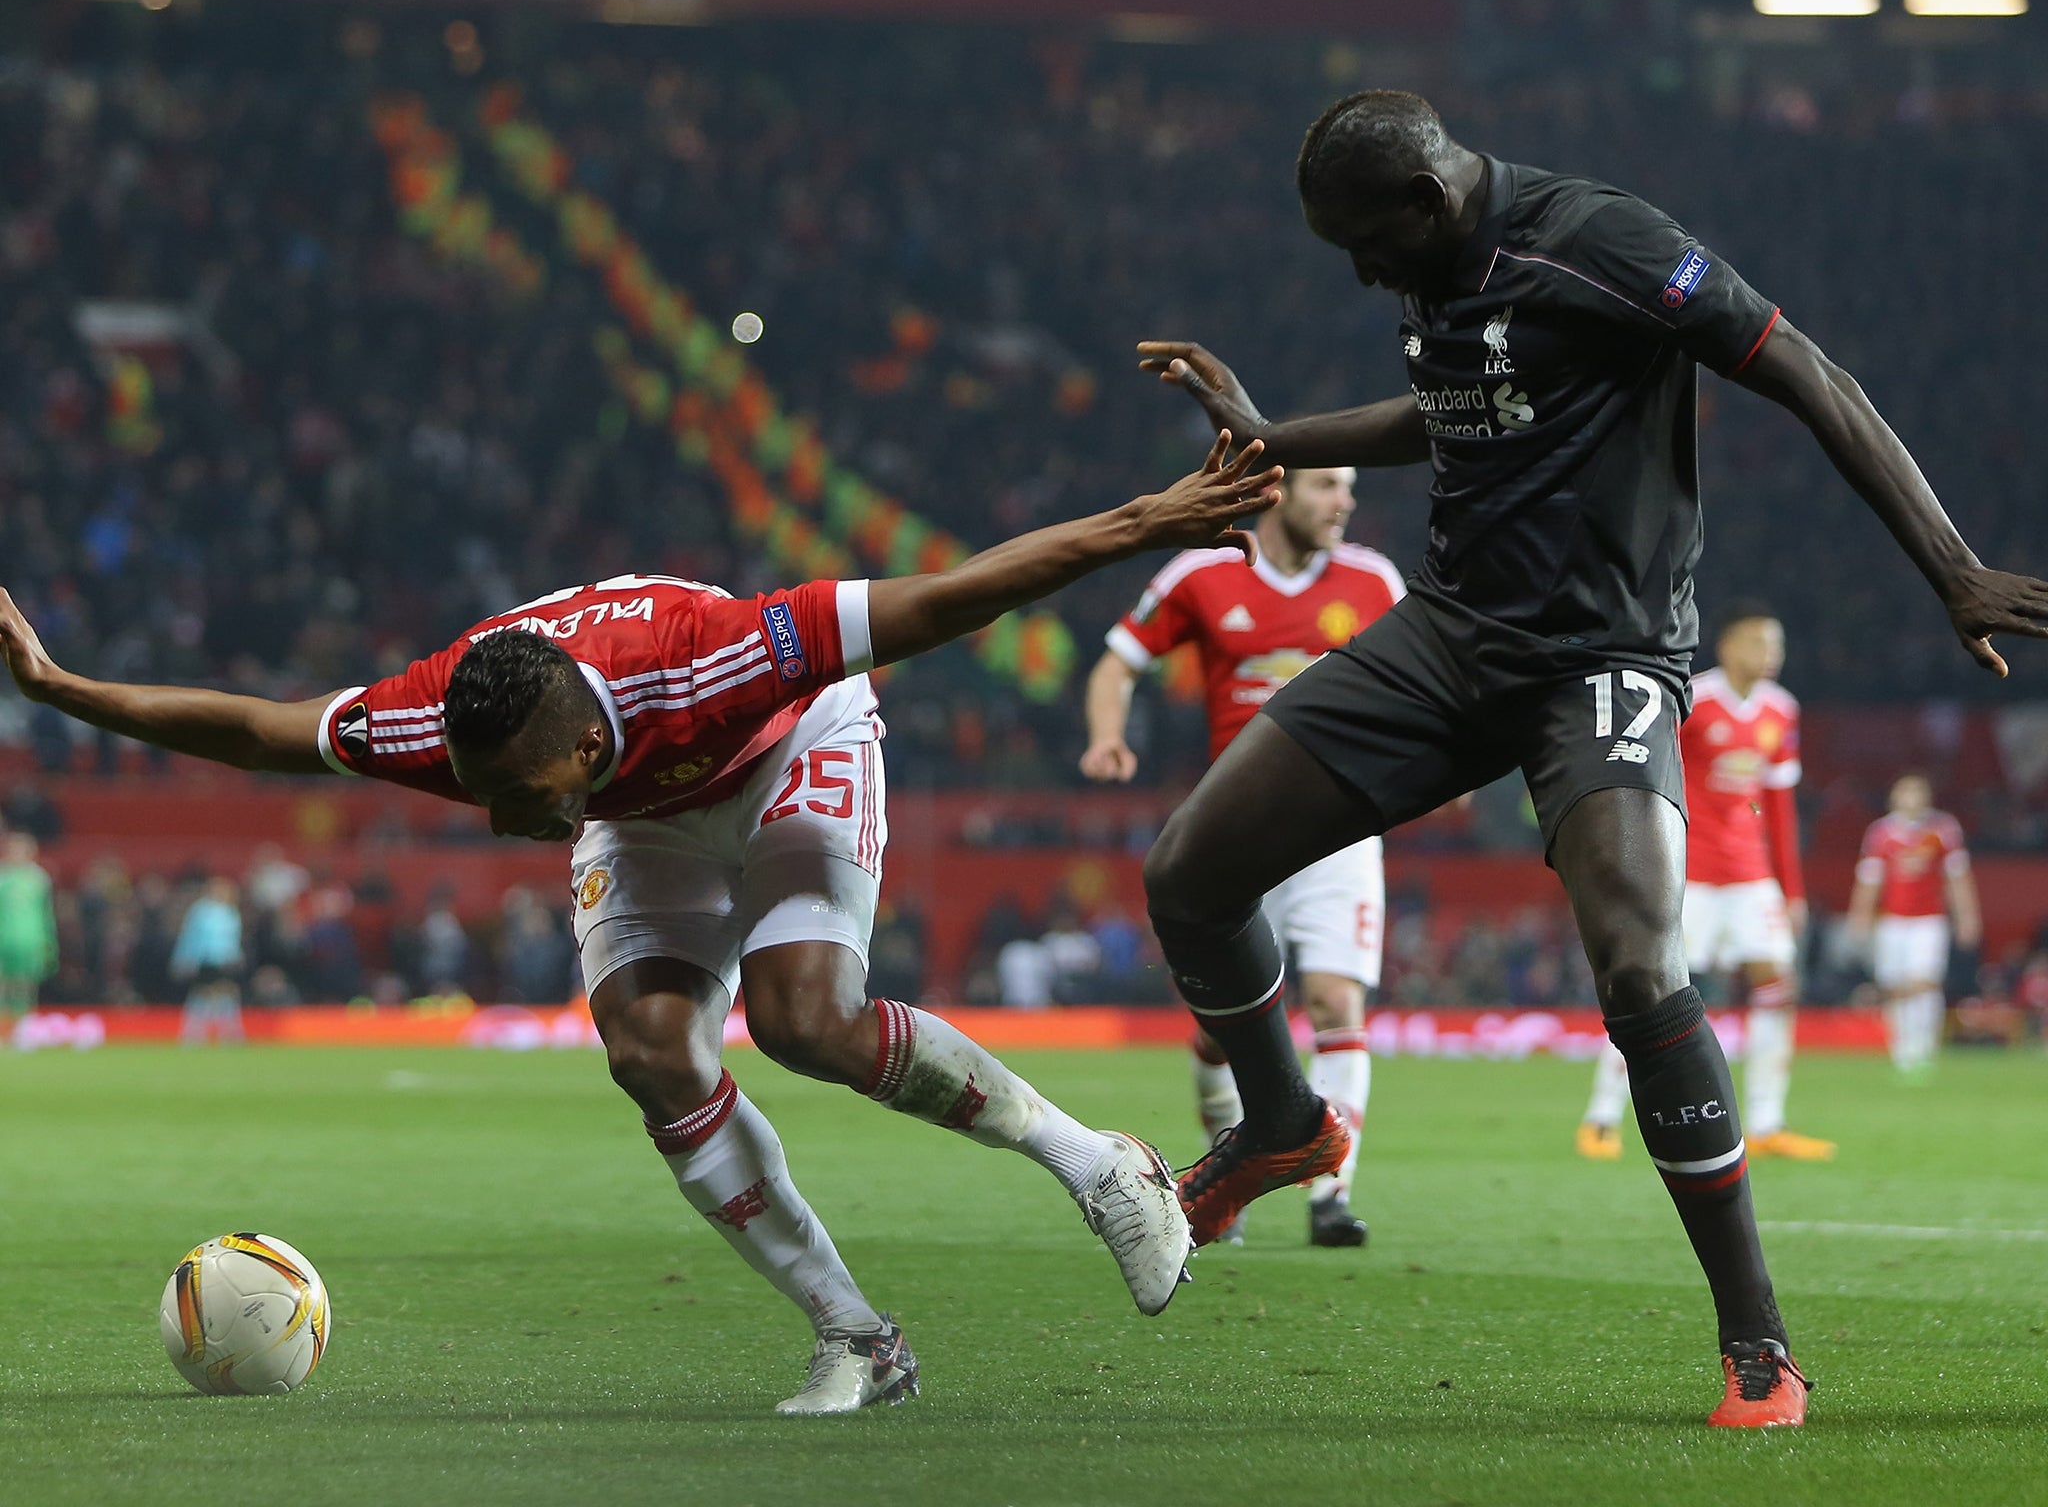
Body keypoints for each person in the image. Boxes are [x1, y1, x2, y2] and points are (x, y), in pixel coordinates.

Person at [0, 435, 1280, 1416]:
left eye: (523, 794)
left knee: (800, 1019)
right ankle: (857, 1338)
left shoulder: (712, 654)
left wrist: (1145, 521)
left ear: (579, 732)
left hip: (787, 757)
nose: (506, 821)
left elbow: (946, 599)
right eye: (485, 794)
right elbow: (251, 729)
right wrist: (61, 689)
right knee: (652, 1051)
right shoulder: (429, 719)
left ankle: (1100, 1166)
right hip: (646, 818)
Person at [1131, 89, 2048, 1428]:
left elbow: (1810, 375)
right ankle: (1285, 1125)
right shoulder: (1443, 261)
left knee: (1635, 960)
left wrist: (1951, 568)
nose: (1359, 270)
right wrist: (1278, 436)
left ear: (1428, 202)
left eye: (1362, 243)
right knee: (1188, 874)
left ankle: (1758, 1343)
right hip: (1449, 636)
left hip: (1602, 660)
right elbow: (1449, 408)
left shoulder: (1605, 241)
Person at [1081, 465, 1403, 1247]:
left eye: (1349, 486)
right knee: (1220, 1031)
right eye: (1327, 485)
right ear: (1280, 491)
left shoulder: (1374, 580)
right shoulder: (1202, 572)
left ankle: (1332, 1189)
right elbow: (1119, 660)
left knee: (1335, 1002)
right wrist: (1107, 734)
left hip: (1338, 825)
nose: (1345, 501)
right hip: (1238, 829)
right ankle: (1237, 1174)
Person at [1578, 602, 1835, 1163]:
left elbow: (1778, 806)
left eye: (1778, 647)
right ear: (1729, 647)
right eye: (1760, 645)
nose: (1771, 656)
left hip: (1751, 877)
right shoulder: (1695, 698)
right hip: (1688, 873)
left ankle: (1767, 1122)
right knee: (1650, 990)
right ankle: (1600, 1117)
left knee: (1778, 987)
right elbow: (1653, 777)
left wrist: (1791, 890)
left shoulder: (1781, 711)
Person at [1846, 773, 1980, 1080]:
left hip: (1929, 921)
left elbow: (1957, 878)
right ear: (1894, 797)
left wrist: (1967, 916)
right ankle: (1902, 1049)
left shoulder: (1942, 830)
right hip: (1892, 921)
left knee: (1925, 981)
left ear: (1927, 796)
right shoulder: (1880, 833)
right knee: (1895, 985)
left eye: (1917, 791)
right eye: (1905, 792)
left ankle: (1924, 1049)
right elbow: (1869, 880)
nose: (1911, 798)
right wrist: (1861, 915)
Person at [171, 876, 246, 1045]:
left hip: (225, 960)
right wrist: (184, 958)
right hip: (206, 959)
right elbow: (190, 936)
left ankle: (228, 1034)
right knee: (205, 995)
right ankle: (193, 1033)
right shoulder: (201, 911)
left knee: (224, 995)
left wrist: (237, 956)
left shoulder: (230, 912)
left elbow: (233, 939)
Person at [0, 832, 58, 1018]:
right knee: (3, 983)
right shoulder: (3, 877)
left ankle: (23, 1026)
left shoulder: (39, 878)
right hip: (4, 938)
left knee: (26, 985)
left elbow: (46, 913)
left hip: (31, 939)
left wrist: (49, 942)